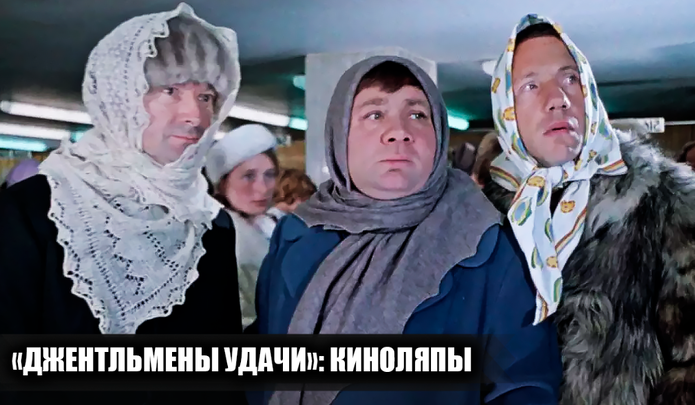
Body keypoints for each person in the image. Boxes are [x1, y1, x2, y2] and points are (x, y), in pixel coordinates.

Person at [251, 56, 562, 405]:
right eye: (375, 114)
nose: (399, 131)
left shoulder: (489, 245)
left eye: (417, 115)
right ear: (340, 135)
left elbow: (525, 388)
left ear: (438, 133)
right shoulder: (297, 232)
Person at [482, 14, 695, 405]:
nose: (558, 98)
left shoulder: (670, 200)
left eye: (570, 79)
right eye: (530, 85)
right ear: (507, 108)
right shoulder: (485, 217)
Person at [0, 3, 244, 334]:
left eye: (206, 97)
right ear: (119, 96)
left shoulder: (210, 221)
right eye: (170, 90)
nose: (196, 116)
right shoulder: (35, 212)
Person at [205, 123, 279, 329]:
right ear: (223, 184)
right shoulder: (218, 238)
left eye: (270, 174)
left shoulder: (268, 224)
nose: (262, 188)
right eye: (248, 176)